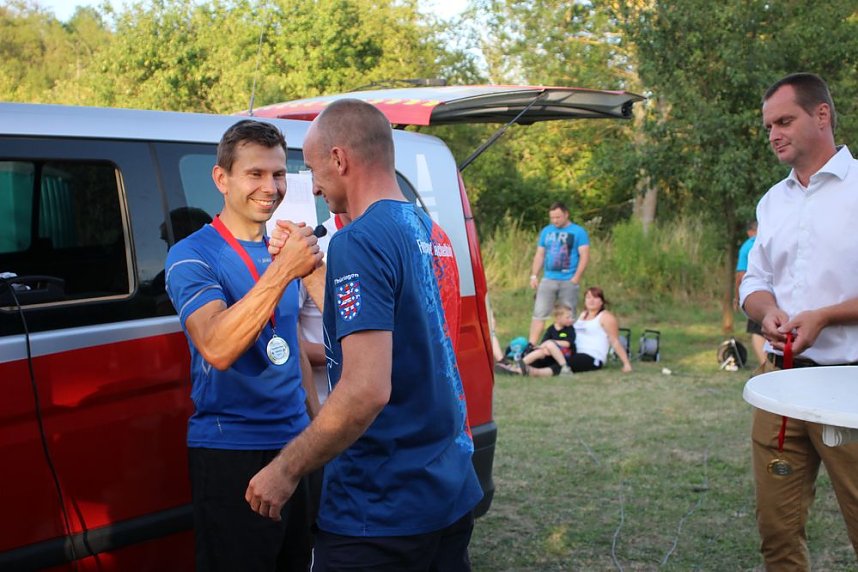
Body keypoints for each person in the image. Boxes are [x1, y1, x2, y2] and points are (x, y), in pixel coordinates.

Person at [246, 99, 483, 571]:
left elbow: (366, 389)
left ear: (340, 159)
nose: (312, 186)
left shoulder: (359, 239)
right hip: (446, 489)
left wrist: (285, 469)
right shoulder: (422, 227)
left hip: (380, 506)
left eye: (313, 170)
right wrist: (309, 267)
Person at [164, 119, 323, 572]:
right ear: (222, 179)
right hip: (232, 452)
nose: (269, 187)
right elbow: (216, 346)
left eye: (277, 174)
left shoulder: (282, 247)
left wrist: (316, 429)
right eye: (255, 174)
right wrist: (283, 271)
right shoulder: (194, 254)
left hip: (295, 449)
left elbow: (290, 344)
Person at [740, 72, 858, 569]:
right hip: (781, 382)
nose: (773, 135)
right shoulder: (772, 201)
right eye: (768, 126)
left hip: (849, 386)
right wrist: (768, 311)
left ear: (822, 115)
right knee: (777, 534)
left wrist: (826, 316)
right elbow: (753, 281)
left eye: (784, 121)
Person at [528, 201, 589, 346]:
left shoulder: (578, 232)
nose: (555, 221)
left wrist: (576, 278)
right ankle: (531, 345)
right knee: (539, 313)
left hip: (568, 279)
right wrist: (534, 275)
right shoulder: (546, 232)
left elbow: (584, 255)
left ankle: (568, 345)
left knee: (568, 315)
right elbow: (540, 254)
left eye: (558, 217)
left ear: (566, 214)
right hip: (548, 279)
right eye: (552, 218)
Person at [500, 304, 576, 377]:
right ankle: (516, 366)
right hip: (549, 353)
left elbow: (568, 343)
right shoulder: (551, 329)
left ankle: (565, 368)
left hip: (565, 354)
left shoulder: (569, 329)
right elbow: (544, 342)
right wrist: (543, 347)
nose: (571, 320)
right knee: (540, 351)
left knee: (549, 344)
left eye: (571, 317)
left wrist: (551, 343)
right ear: (558, 318)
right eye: (568, 317)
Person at [570, 287, 631, 373]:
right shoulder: (583, 315)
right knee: (550, 357)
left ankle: (546, 372)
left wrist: (626, 363)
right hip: (575, 351)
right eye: (588, 297)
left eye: (595, 297)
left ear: (601, 301)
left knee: (565, 363)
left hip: (592, 356)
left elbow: (614, 341)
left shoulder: (606, 317)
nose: (591, 300)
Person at [734, 220, 766, 366]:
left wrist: (737, 297)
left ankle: (765, 365)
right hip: (775, 294)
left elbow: (741, 275)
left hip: (757, 295)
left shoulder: (747, 246)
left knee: (757, 332)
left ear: (750, 232)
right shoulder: (768, 241)